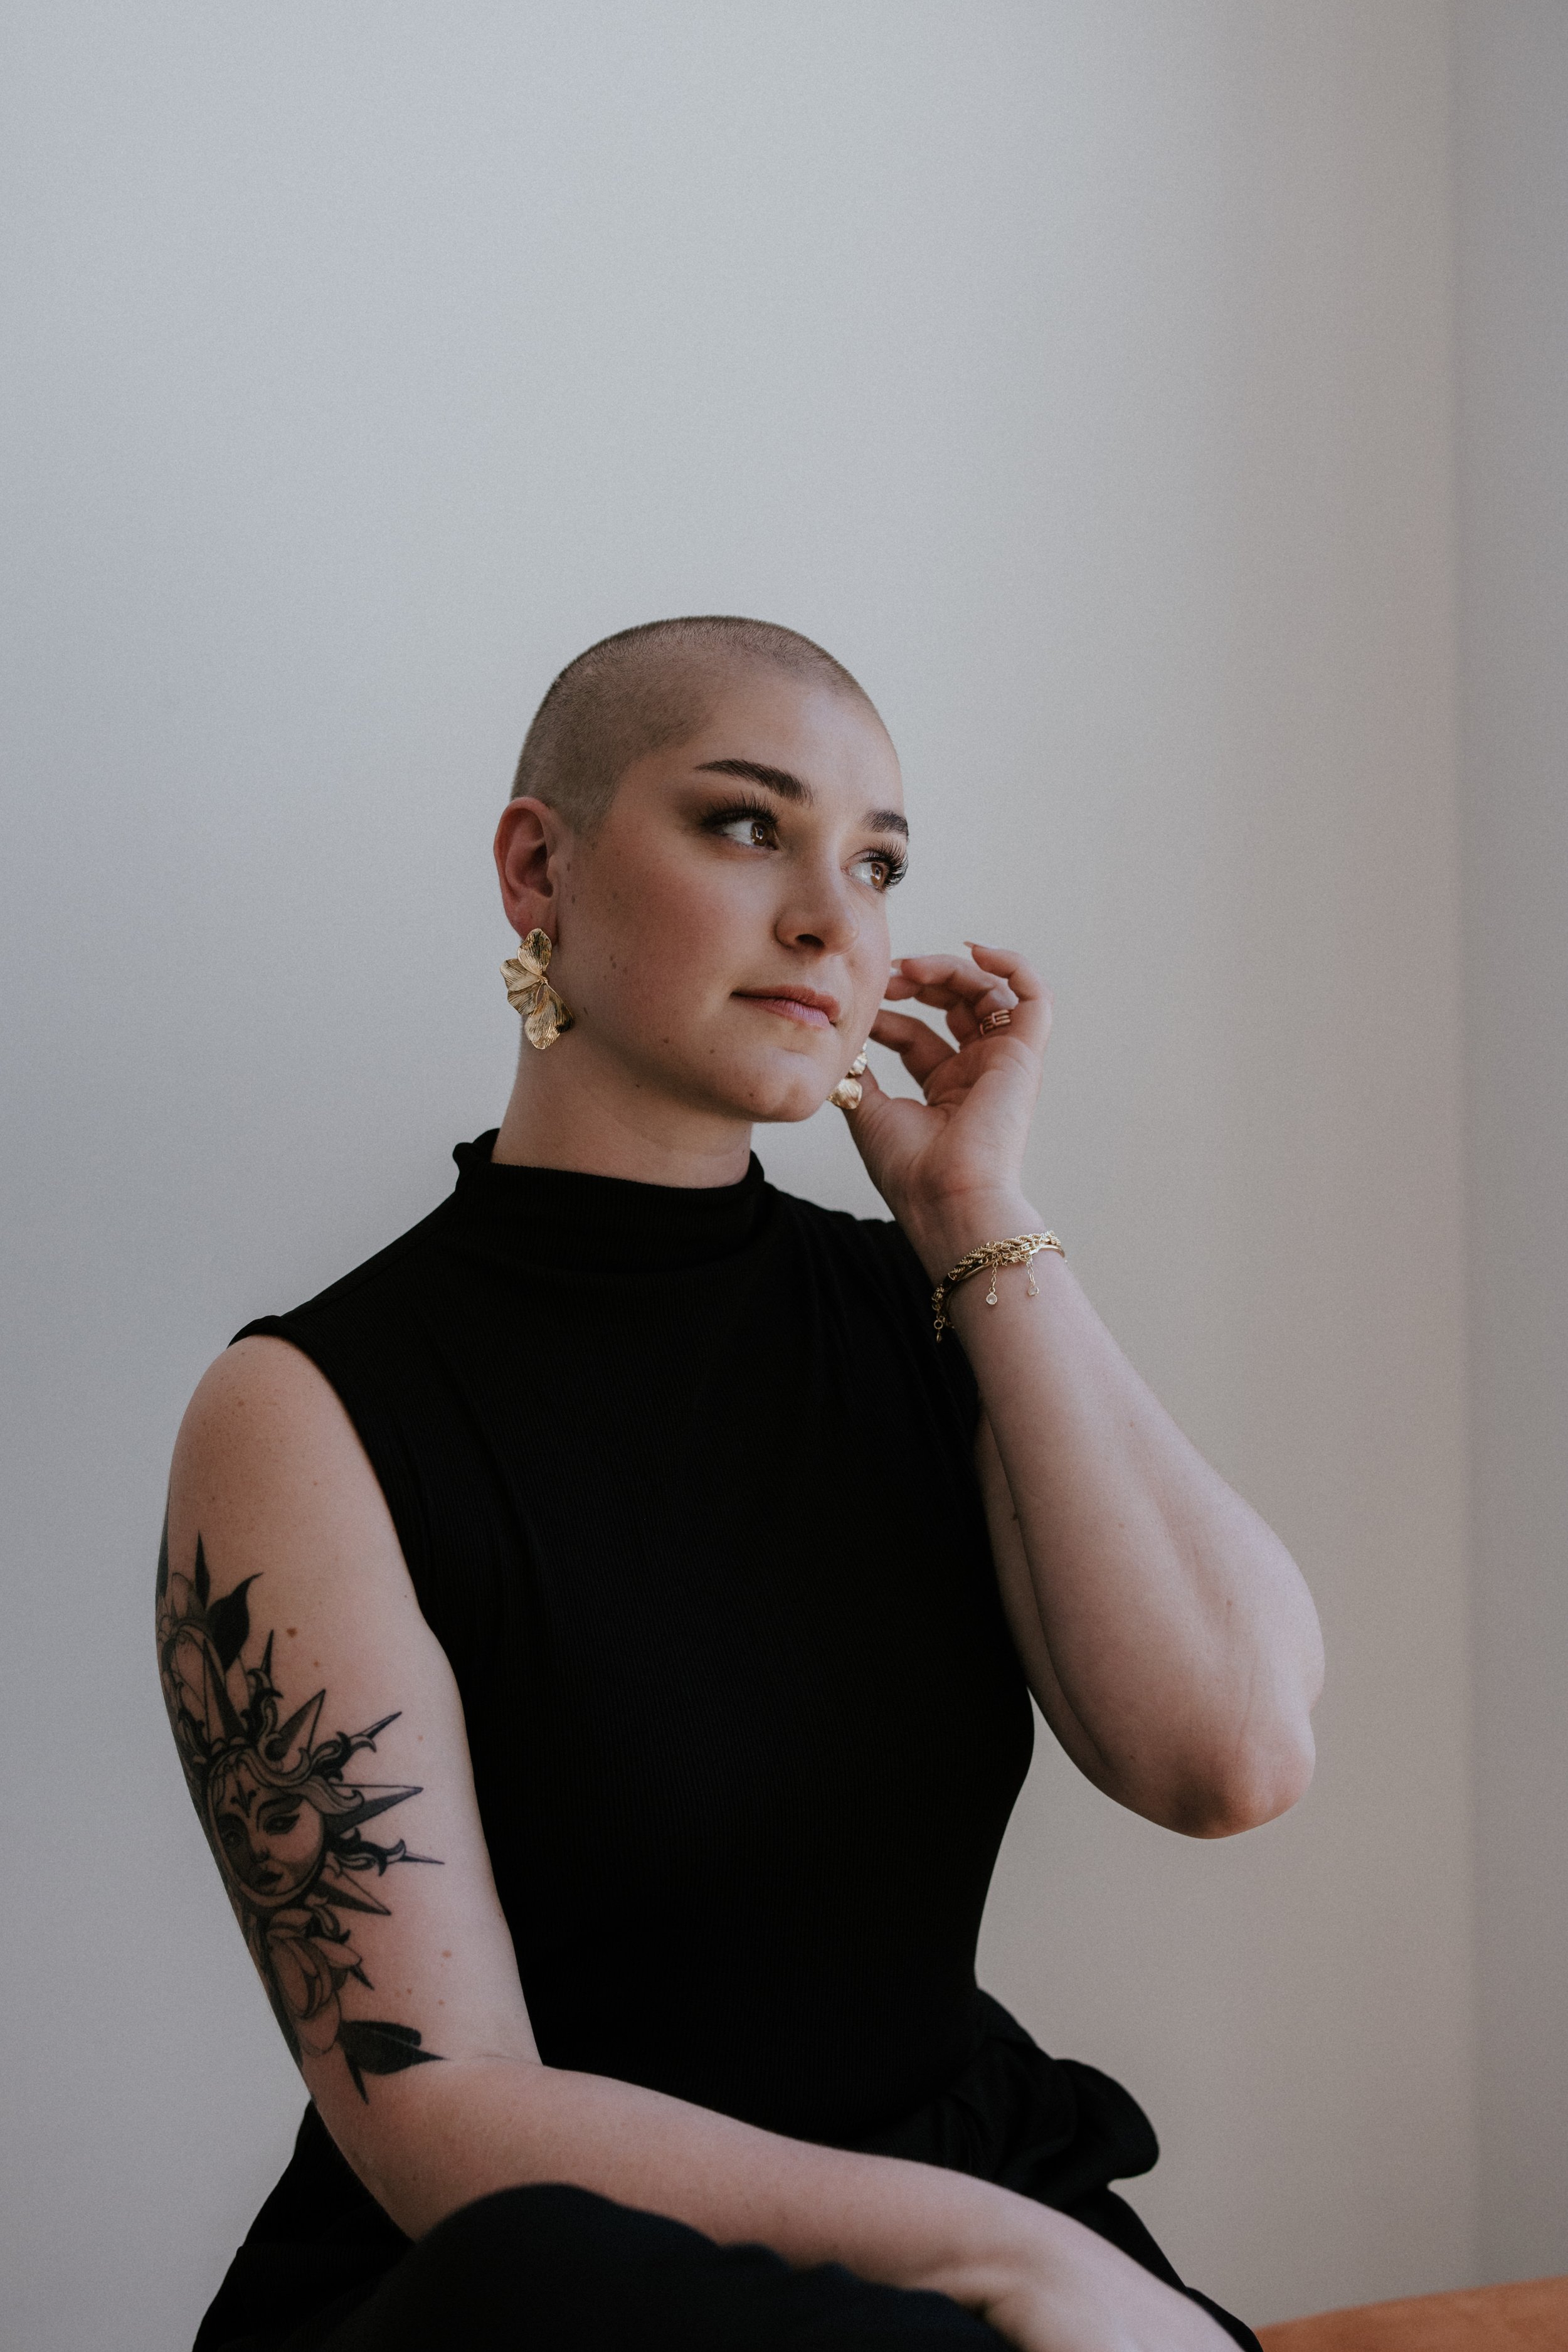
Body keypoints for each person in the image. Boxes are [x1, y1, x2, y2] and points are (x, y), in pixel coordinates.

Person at [161, 616, 1323, 2352]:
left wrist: (974, 1223)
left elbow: (1226, 1757)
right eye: (741, 824)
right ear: (533, 865)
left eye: (878, 864)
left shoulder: (924, 1310)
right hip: (559, 2283)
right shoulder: (308, 1405)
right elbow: (438, 2110)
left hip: (969, 2233)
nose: (829, 919)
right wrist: (1018, 2261)